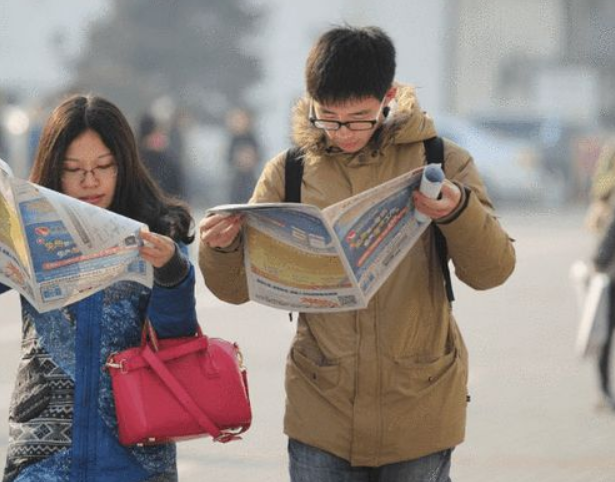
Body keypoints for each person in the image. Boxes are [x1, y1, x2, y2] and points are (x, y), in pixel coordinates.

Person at [198, 26, 516, 481]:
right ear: (311, 102)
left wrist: (458, 212)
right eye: (328, 117)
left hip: (419, 403)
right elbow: (231, 291)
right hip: (321, 406)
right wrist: (223, 247)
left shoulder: (441, 161)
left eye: (360, 117)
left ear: (387, 98)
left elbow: (493, 271)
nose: (344, 132)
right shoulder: (288, 172)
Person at [0, 94, 198, 481]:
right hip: (43, 458)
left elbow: (175, 337)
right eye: (73, 169)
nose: (89, 181)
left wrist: (173, 273)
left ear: (124, 166)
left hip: (134, 459)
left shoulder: (156, 233)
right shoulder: (31, 228)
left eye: (103, 167)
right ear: (53, 169)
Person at [586, 138, 615, 411]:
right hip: (610, 272)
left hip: (609, 270)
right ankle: (604, 390)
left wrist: (599, 259)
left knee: (605, 332)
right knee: (605, 332)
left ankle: (604, 390)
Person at [137, 113, 185, 199]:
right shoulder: (134, 163)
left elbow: (179, 195)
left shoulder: (170, 164)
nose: (162, 138)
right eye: (156, 133)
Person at [225, 107, 261, 204]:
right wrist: (237, 160)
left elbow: (259, 155)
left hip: (250, 177)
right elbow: (228, 158)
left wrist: (250, 158)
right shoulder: (234, 139)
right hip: (237, 177)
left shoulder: (252, 137)